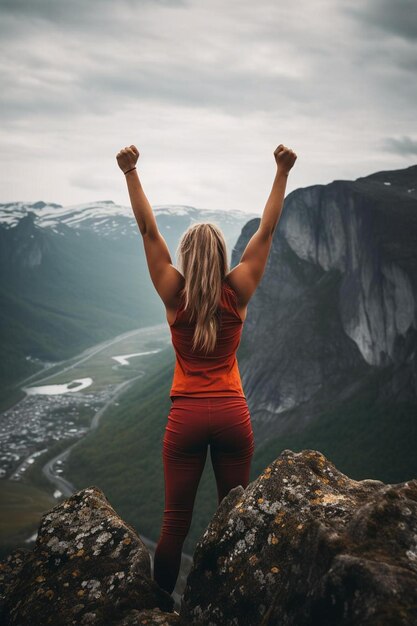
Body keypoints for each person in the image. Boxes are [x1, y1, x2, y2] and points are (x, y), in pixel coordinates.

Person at [116, 142, 297, 595]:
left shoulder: (173, 294)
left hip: (186, 419)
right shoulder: (237, 290)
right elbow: (269, 229)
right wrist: (281, 172)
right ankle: (227, 604)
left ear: (186, 256)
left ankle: (157, 608)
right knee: (231, 515)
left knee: (173, 527)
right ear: (220, 255)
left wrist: (131, 172)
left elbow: (146, 230)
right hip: (233, 415)